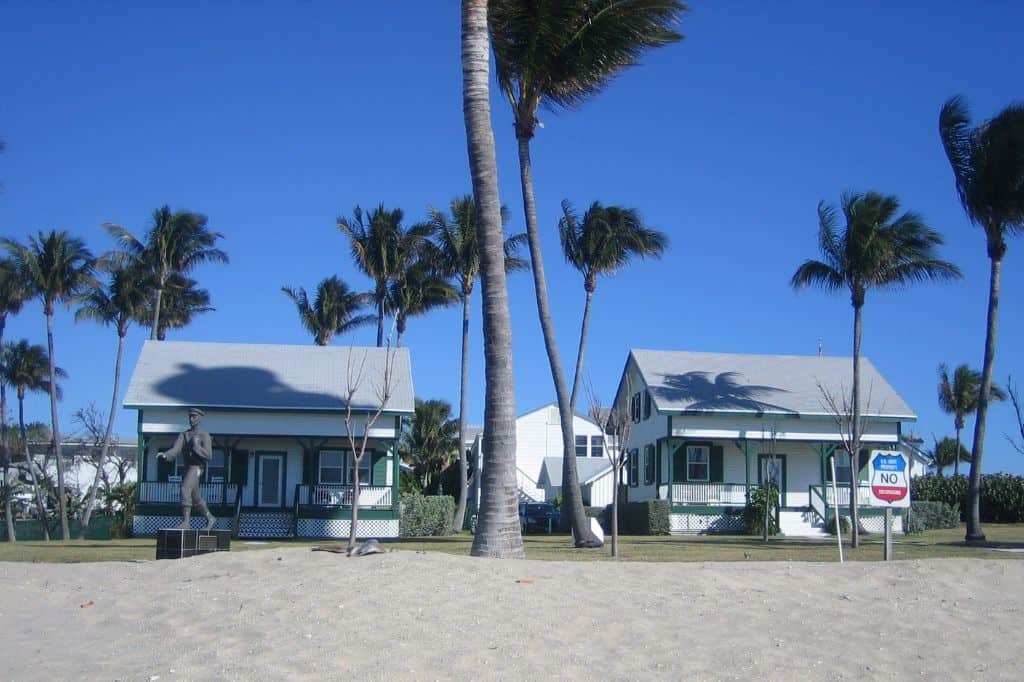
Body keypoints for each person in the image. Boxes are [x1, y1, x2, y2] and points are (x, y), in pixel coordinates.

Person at [158, 407, 217, 530]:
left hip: (197, 468)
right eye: (190, 416)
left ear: (200, 418)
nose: (191, 419)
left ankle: (186, 522)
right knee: (196, 498)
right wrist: (166, 455)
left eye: (194, 416)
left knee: (184, 489)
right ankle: (210, 518)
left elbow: (209, 456)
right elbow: (175, 449)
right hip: (187, 468)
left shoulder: (204, 435)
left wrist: (196, 447)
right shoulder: (184, 435)